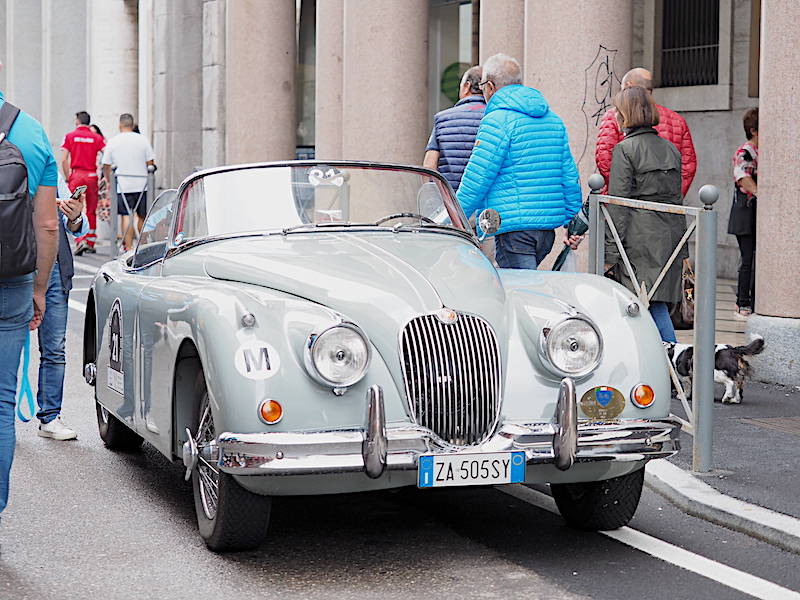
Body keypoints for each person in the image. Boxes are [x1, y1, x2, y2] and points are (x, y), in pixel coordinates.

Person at [457, 54, 582, 269]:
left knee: (520, 293)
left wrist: (454, 214)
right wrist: (573, 224)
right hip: (545, 231)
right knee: (529, 287)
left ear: (490, 87)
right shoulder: (553, 120)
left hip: (513, 229)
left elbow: (478, 176)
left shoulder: (498, 121)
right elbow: (569, 176)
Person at [0, 78, 59, 516]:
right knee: (2, 401)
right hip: (13, 279)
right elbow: (49, 225)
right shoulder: (32, 132)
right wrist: (39, 288)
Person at [605, 87, 686, 344]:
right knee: (654, 302)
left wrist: (609, 254)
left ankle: (670, 364)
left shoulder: (625, 150)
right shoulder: (670, 149)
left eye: (618, 111)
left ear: (626, 114)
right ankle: (673, 364)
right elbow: (677, 198)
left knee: (641, 304)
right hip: (669, 235)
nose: (615, 116)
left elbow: (618, 205)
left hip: (639, 238)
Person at [35, 174, 89, 441]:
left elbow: (79, 227)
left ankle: (50, 417)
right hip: (14, 267)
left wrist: (75, 214)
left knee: (55, 346)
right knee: (7, 345)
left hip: (55, 267)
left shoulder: (49, 171)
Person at [596, 67, 697, 197]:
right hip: (667, 205)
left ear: (628, 85)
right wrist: (670, 198)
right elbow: (688, 167)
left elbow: (605, 160)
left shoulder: (614, 115)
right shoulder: (677, 120)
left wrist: (625, 194)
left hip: (627, 202)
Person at [423, 65, 486, 191]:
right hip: (485, 204)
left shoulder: (443, 118)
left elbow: (429, 166)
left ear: (467, 86)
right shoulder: (495, 117)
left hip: (451, 202)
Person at [102, 113, 156, 251]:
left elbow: (106, 165)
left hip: (122, 185)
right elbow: (150, 162)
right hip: (142, 184)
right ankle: (143, 246)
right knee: (142, 217)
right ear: (132, 125)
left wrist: (109, 181)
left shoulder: (113, 141)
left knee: (126, 216)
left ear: (120, 125)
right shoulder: (142, 140)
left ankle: (129, 247)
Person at [728, 108, 758, 319]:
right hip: (745, 211)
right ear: (754, 130)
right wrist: (761, 193)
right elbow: (742, 177)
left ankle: (756, 300)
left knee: (757, 258)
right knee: (747, 258)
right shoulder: (745, 152)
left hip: (756, 211)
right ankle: (742, 302)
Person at [60, 110, 105, 255]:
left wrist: (68, 177)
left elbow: (63, 159)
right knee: (91, 209)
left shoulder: (70, 136)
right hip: (91, 176)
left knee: (74, 206)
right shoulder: (96, 137)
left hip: (77, 175)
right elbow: (106, 153)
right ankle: (91, 241)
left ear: (77, 121)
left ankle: (80, 240)